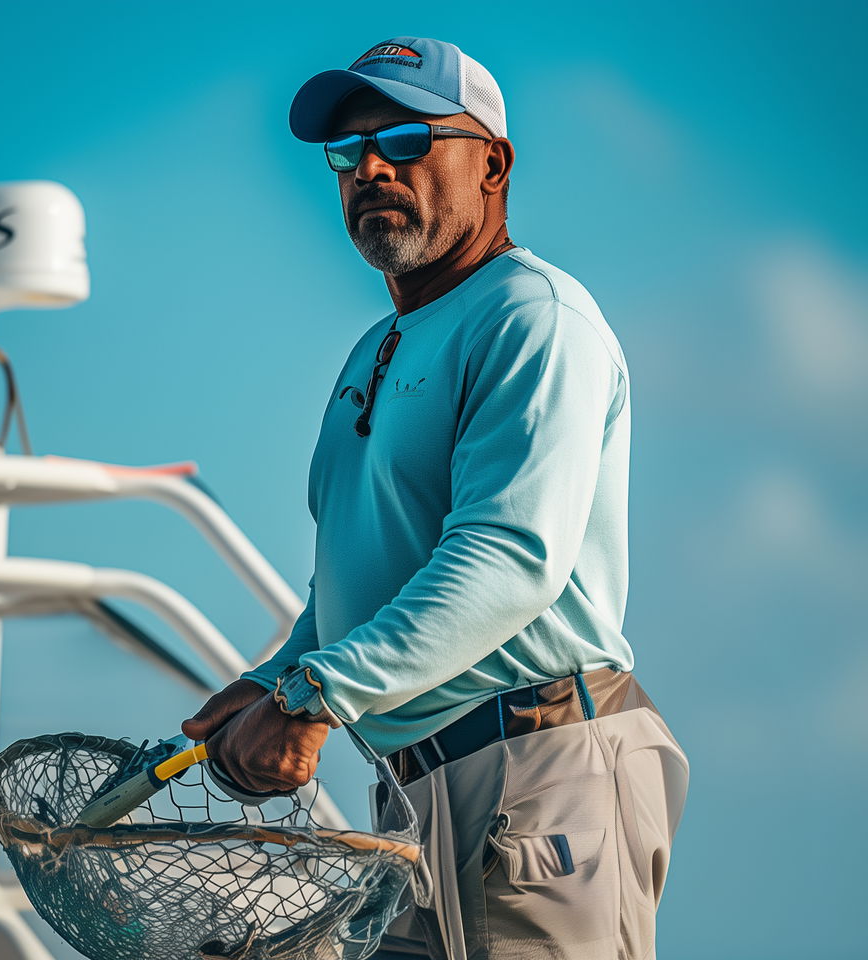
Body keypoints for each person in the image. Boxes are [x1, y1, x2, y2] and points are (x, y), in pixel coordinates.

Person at [182, 37, 689, 960]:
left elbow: (507, 559)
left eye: (408, 138)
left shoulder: (534, 317)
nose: (372, 166)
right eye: (349, 153)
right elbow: (362, 582)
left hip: (542, 769)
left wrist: (314, 696)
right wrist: (275, 677)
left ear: (491, 162)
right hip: (413, 793)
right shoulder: (375, 348)